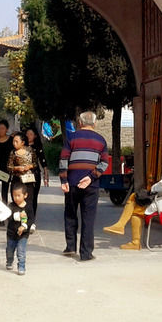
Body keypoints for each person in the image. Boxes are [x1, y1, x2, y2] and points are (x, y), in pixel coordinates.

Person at [105, 135, 162, 250]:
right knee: (135, 197)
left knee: (136, 207)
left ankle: (129, 235)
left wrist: (154, 188)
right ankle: (122, 227)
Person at [59, 111, 108, 262]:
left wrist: (64, 180)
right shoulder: (101, 140)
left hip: (72, 183)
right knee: (89, 218)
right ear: (94, 123)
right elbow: (104, 163)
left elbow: (63, 160)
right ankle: (86, 253)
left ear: (79, 123)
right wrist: (91, 176)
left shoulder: (71, 138)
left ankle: (70, 247)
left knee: (70, 214)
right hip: (91, 185)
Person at [7, 131, 38, 229]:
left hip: (28, 180)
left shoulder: (30, 150)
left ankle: (30, 222)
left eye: (16, 141)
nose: (14, 143)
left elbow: (35, 163)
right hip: (17, 180)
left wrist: (29, 166)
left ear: (23, 142)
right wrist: (17, 168)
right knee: (16, 200)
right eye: (13, 141)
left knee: (29, 201)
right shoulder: (13, 153)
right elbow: (9, 166)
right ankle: (18, 220)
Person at [24, 124, 49, 225]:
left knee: (33, 197)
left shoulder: (38, 147)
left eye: (31, 134)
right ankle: (23, 218)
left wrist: (46, 176)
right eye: (27, 134)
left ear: (35, 136)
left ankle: (32, 219)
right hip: (22, 175)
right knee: (23, 197)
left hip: (34, 174)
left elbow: (43, 162)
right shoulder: (21, 147)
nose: (28, 135)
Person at [5, 182, 31, 275]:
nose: (16, 198)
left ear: (25, 195)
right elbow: (8, 217)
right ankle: (9, 261)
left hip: (23, 234)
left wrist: (25, 226)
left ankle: (21, 266)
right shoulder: (11, 206)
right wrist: (17, 216)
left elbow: (31, 219)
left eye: (18, 195)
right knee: (10, 249)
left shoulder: (28, 207)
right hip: (11, 233)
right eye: (14, 195)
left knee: (21, 251)